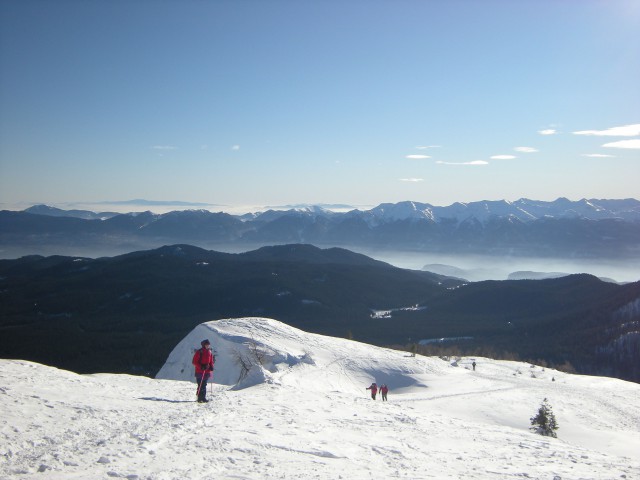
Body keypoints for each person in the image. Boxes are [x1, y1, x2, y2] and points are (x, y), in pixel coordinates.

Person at [192, 339, 215, 403]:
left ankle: (203, 398)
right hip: (199, 371)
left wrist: (211, 366)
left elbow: (211, 361)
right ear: (203, 345)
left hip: (206, 371)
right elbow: (194, 362)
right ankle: (199, 398)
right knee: (201, 384)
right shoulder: (199, 352)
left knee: (204, 384)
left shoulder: (209, 352)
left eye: (208, 345)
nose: (208, 346)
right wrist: (201, 366)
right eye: (206, 345)